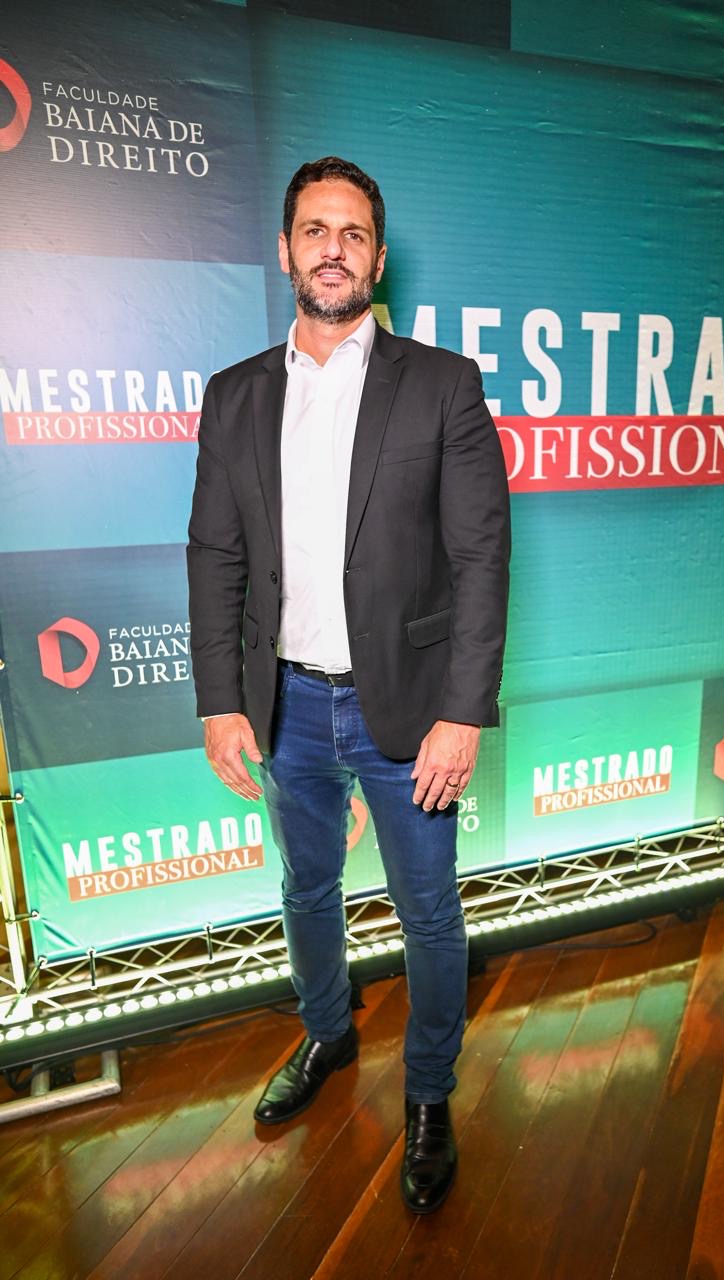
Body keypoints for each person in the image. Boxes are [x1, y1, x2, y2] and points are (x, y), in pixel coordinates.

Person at [187, 156, 510, 1214]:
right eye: (315, 230)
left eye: (354, 233)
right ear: (286, 249)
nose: (334, 249)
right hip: (283, 706)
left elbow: (481, 558)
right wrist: (221, 699)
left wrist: (462, 710)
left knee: (429, 912)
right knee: (306, 889)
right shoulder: (234, 395)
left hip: (409, 711)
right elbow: (215, 557)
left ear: (377, 258)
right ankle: (327, 1032)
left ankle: (429, 1092)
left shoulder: (443, 384)